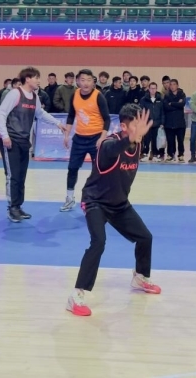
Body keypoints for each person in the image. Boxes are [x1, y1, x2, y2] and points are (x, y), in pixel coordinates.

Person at [66, 104, 161, 317]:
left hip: (119, 204)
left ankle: (140, 277)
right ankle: (76, 296)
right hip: (95, 202)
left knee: (145, 237)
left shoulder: (137, 144)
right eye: (135, 125)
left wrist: (134, 137)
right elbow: (113, 149)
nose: (140, 130)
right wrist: (130, 138)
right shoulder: (109, 145)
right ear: (123, 127)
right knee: (98, 242)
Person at [0, 67, 69, 223]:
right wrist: (5, 135)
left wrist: (57, 123)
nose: (38, 81)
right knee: (13, 175)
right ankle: (12, 207)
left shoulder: (34, 96)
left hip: (24, 141)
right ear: (27, 79)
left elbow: (40, 114)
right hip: (11, 140)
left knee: (21, 176)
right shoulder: (15, 94)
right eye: (36, 78)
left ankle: (18, 206)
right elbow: (1, 113)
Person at [61, 69, 111, 212]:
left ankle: (101, 199)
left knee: (99, 170)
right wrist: (66, 135)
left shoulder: (98, 96)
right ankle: (69, 198)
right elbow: (71, 115)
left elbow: (107, 119)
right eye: (82, 80)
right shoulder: (75, 94)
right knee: (72, 168)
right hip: (79, 138)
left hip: (96, 138)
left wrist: (102, 138)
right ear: (77, 81)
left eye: (89, 80)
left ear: (93, 81)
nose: (86, 83)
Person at [162, 78, 187, 162]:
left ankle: (181, 155)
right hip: (169, 122)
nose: (172, 86)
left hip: (180, 122)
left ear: (177, 85)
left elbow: (182, 104)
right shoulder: (166, 95)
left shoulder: (182, 94)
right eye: (171, 85)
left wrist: (172, 103)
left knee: (180, 140)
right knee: (170, 140)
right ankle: (170, 155)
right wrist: (177, 104)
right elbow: (166, 107)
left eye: (174, 84)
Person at [140, 81, 164, 162]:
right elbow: (141, 111)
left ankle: (155, 154)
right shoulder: (144, 99)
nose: (153, 90)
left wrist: (162, 123)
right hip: (147, 124)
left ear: (156, 89)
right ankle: (145, 154)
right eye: (151, 88)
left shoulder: (160, 99)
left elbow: (162, 112)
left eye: (154, 88)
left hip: (157, 123)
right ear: (149, 89)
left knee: (155, 140)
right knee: (146, 140)